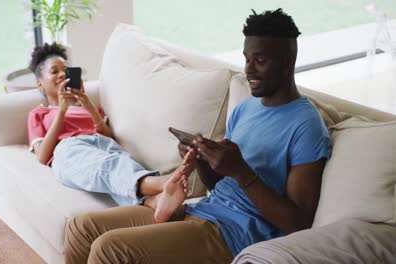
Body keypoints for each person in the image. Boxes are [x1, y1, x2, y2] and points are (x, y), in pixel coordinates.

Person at [63, 8, 332, 264]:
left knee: (111, 249)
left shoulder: (306, 126)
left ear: (287, 62)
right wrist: (205, 161)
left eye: (260, 61)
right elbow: (219, 186)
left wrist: (241, 171)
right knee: (80, 227)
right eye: (247, 59)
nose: (249, 70)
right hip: (202, 210)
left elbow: (298, 223)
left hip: (233, 235)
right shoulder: (246, 108)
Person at [27, 42, 195, 213]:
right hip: (69, 148)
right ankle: (157, 183)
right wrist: (62, 110)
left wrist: (87, 103)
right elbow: (42, 156)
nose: (62, 74)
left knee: (120, 164)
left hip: (102, 143)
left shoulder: (87, 107)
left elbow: (109, 137)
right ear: (40, 84)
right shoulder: (39, 113)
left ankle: (153, 202)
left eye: (65, 69)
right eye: (54, 71)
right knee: (107, 165)